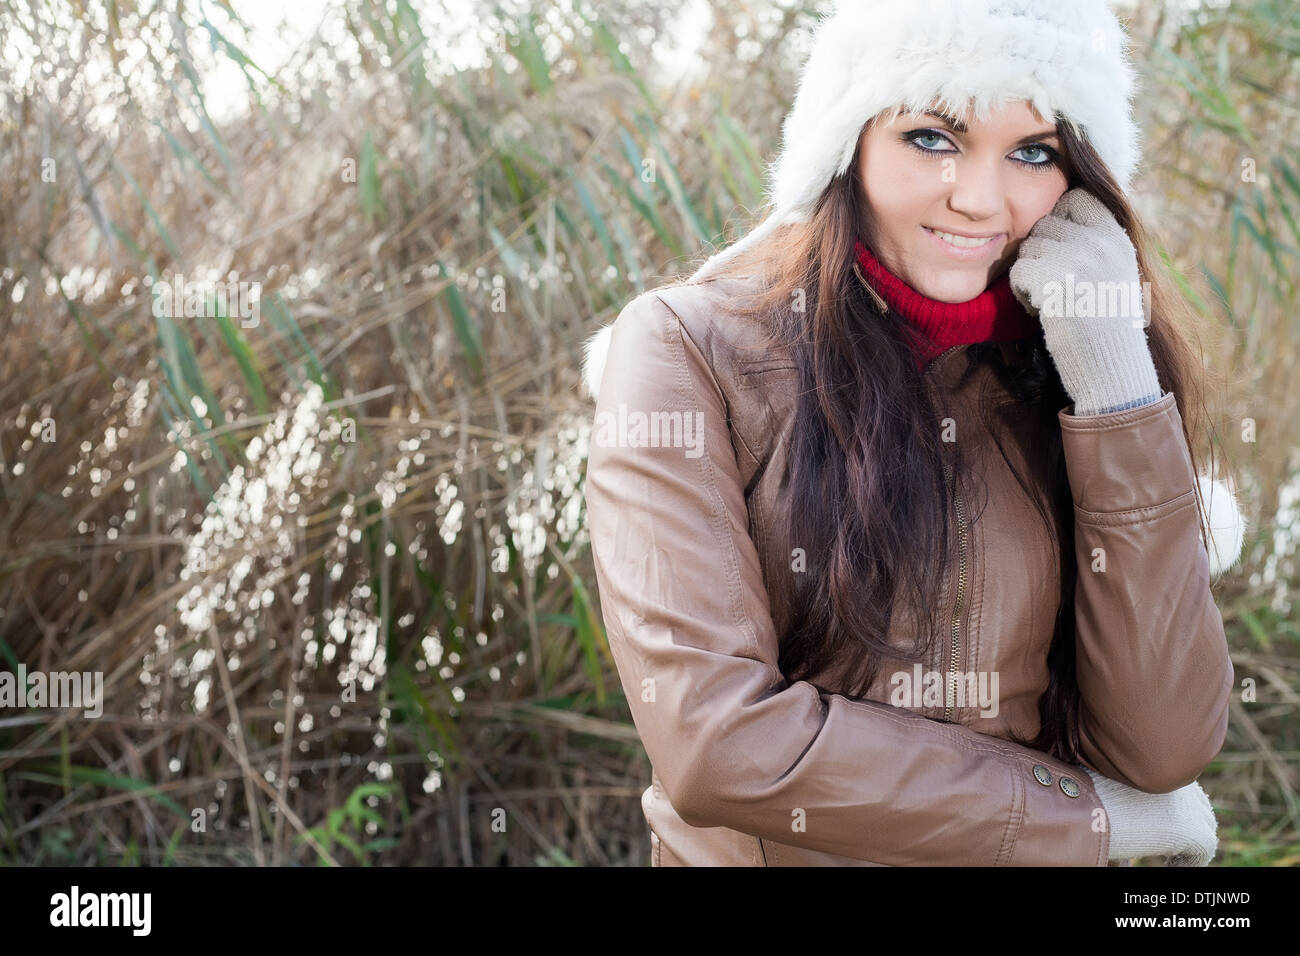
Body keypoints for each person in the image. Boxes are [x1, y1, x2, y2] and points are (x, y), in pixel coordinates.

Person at [580, 0, 1247, 866]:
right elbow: (718, 744)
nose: (978, 200)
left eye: (1033, 152)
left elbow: (1162, 747)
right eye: (932, 135)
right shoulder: (690, 349)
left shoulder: (1075, 363)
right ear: (846, 140)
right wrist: (1083, 820)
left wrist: (1113, 375)